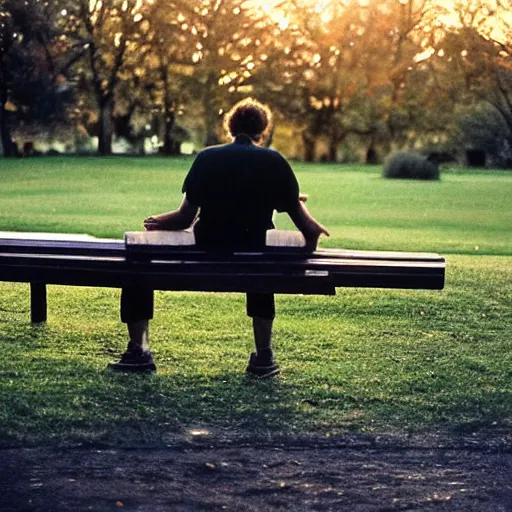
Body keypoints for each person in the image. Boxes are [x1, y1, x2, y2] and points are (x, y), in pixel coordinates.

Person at [109, 98, 329, 378]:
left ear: (230, 127)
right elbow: (303, 223)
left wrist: (156, 222)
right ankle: (263, 356)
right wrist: (311, 230)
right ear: (263, 130)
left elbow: (185, 218)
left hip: (208, 246)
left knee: (138, 260)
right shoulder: (273, 161)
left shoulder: (208, 157)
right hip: (251, 248)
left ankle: (138, 351)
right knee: (261, 263)